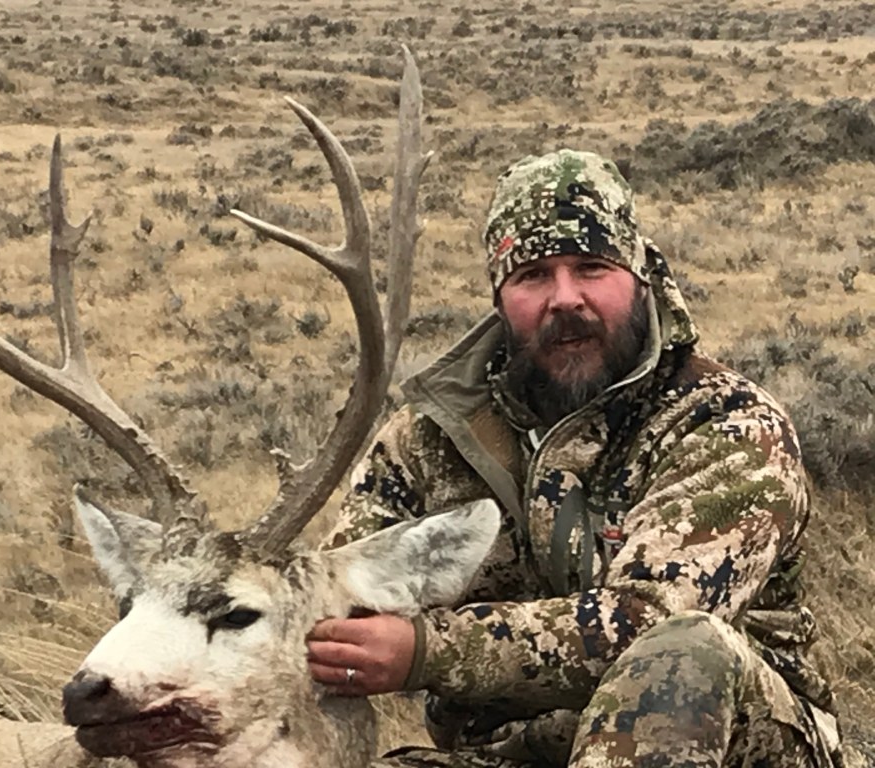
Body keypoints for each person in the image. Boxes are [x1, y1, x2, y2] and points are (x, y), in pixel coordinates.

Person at [305, 150, 842, 767]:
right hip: (511, 755)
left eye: (591, 267)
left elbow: (648, 622)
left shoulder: (726, 422)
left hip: (728, 742)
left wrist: (426, 652)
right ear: (500, 298)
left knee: (684, 653)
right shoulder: (428, 438)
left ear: (641, 277)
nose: (565, 298)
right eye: (532, 275)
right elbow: (331, 599)